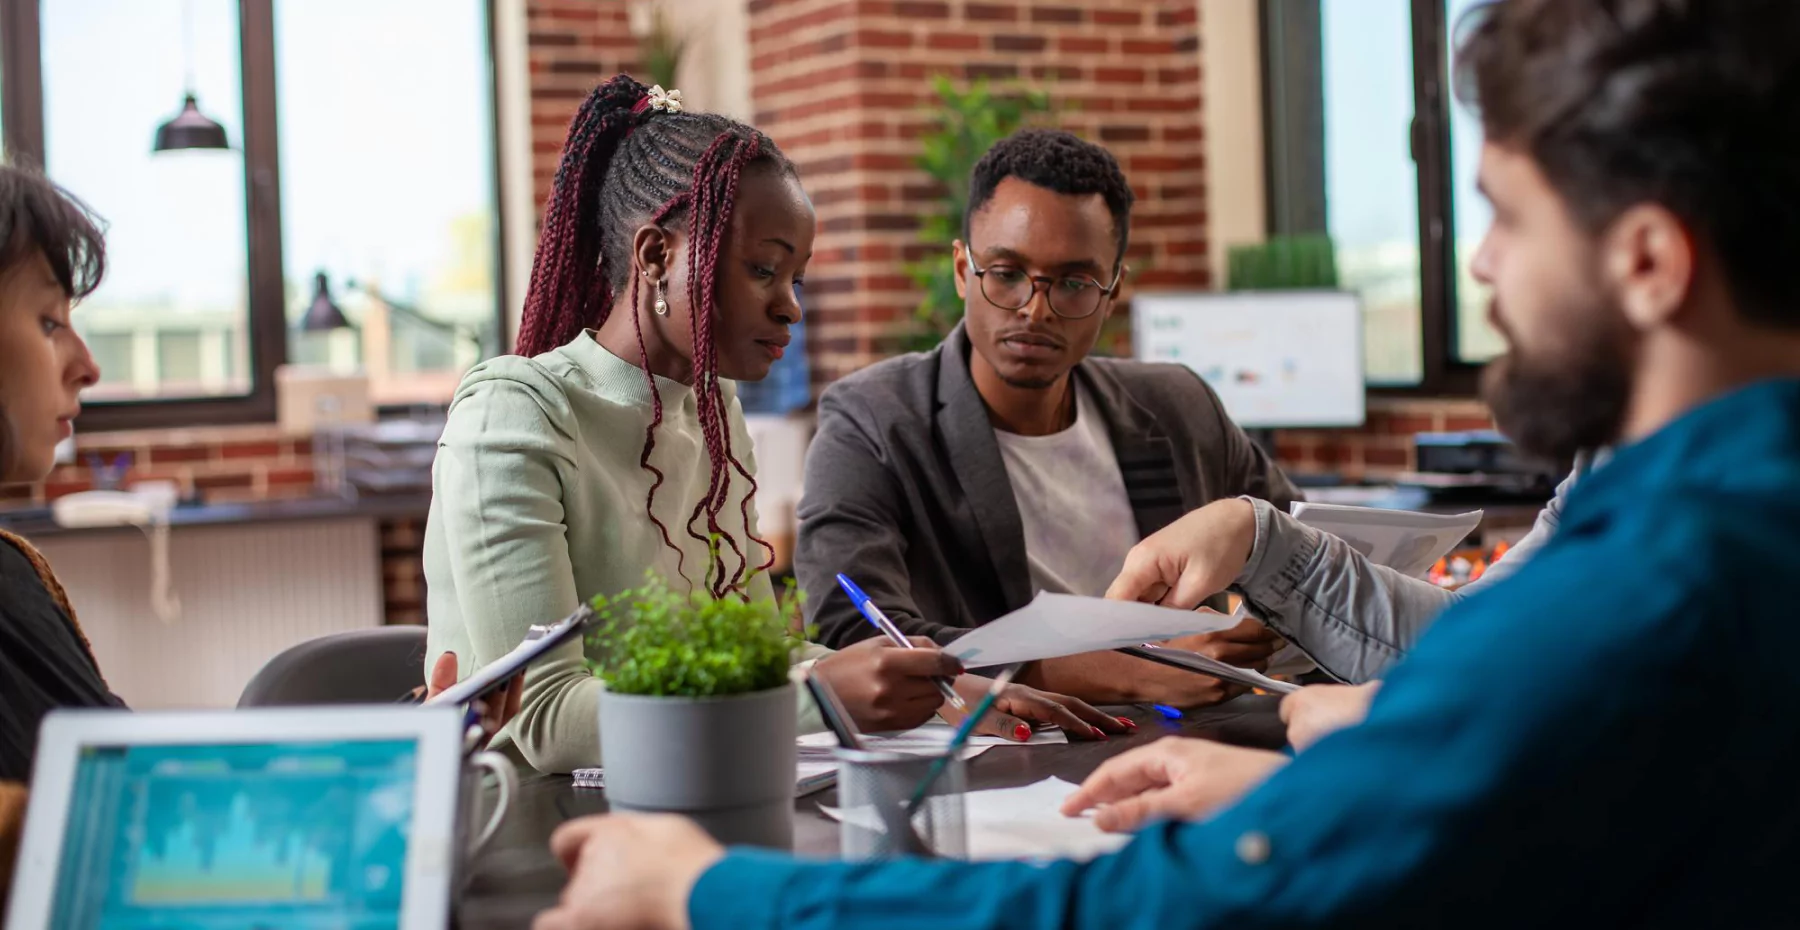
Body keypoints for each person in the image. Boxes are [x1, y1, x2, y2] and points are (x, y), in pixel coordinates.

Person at [530, 0, 1800, 926]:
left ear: (1646, 260)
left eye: (1508, 219)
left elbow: (1168, 906)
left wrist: (707, 893)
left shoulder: (1645, 589)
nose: (1480, 270)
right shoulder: (1699, 534)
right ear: (965, 275)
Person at [423, 78, 1129, 777]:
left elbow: (761, 663)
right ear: (654, 257)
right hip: (525, 836)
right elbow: (544, 718)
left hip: (685, 804)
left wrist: (950, 689)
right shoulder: (514, 411)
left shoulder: (713, 411)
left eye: (797, 278)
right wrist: (819, 695)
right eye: (763, 269)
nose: (791, 307)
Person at [0, 165, 517, 908]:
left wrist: (418, 732)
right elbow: (119, 852)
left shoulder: (15, 572)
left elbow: (139, 803)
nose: (87, 364)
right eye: (49, 322)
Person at [794, 128, 1300, 709]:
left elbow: (1306, 554)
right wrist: (1136, 673)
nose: (1035, 310)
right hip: (1016, 757)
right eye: (1006, 274)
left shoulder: (1178, 403)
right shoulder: (874, 420)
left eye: (1075, 283)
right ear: (963, 270)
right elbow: (854, 638)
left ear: (1112, 292)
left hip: (1203, 736)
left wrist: (1260, 623)